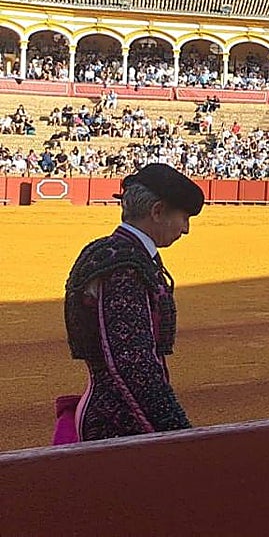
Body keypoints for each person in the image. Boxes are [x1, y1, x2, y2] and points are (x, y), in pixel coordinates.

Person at [59, 163, 205, 442]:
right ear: (157, 211)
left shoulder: (115, 252)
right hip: (120, 424)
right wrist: (178, 433)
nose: (186, 229)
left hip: (118, 411)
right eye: (184, 217)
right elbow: (131, 364)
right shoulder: (124, 265)